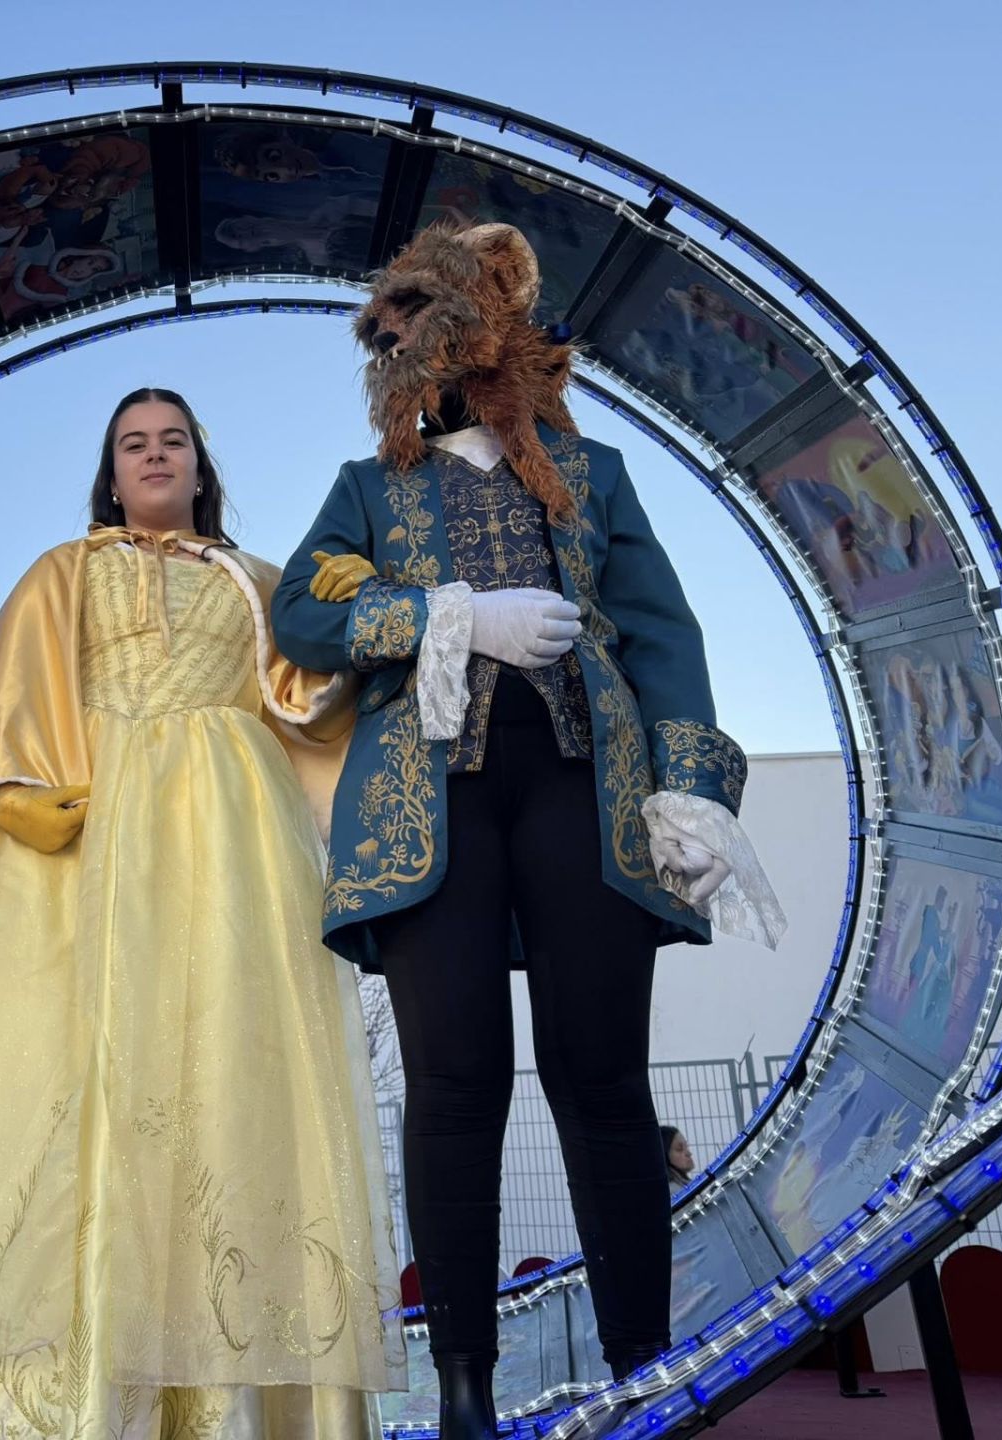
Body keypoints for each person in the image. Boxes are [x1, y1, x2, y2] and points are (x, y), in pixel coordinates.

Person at [272, 221, 783, 1435]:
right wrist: (450, 615)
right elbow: (300, 614)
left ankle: (643, 1366)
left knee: (601, 1080)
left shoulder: (592, 469)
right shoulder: (368, 490)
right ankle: (461, 1393)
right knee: (455, 1088)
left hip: (581, 787)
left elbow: (663, 633)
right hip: (427, 801)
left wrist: (695, 783)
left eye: (418, 326)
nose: (400, 350)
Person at [0, 388, 404, 1437]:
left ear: (201, 467)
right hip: (91, 844)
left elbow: (316, 703)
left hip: (233, 848)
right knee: (74, 1083)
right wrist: (5, 796)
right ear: (112, 473)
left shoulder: (260, 584)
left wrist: (369, 615)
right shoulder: (64, 571)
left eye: (173, 441)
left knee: (226, 1079)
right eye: (133, 444)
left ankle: (230, 1386)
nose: (154, 456)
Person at [661, 1127, 695, 1194]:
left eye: (687, 1146)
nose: (689, 1153)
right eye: (679, 1149)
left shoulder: (685, 1184)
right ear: (664, 1155)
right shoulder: (673, 1191)